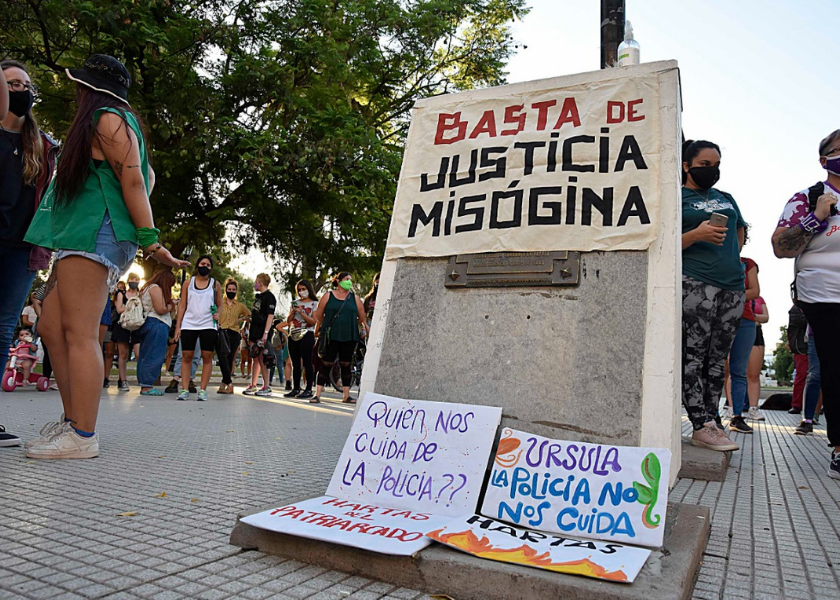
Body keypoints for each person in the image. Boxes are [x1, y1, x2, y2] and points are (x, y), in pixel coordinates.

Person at [23, 54, 189, 459]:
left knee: (80, 333)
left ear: (90, 88)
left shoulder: (108, 119)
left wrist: (151, 241)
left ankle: (82, 435)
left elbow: (136, 181)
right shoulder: (111, 121)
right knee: (51, 326)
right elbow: (146, 177)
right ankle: (72, 421)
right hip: (81, 233)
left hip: (96, 233)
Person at [772, 128, 840, 478]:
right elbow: (780, 247)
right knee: (835, 369)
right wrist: (816, 218)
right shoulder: (808, 198)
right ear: (825, 159)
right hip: (824, 296)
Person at [0, 60, 58, 448]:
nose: (21, 90)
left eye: (25, 83)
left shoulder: (44, 145)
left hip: (21, 250)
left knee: (3, 328)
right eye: (12, 83)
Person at [680, 140, 745, 452]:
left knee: (718, 358)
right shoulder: (676, 197)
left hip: (732, 286)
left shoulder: (726, 198)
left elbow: (739, 231)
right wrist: (695, 235)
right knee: (693, 354)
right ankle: (700, 423)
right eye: (704, 165)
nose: (712, 171)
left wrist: (731, 260)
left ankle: (713, 419)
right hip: (695, 283)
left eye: (716, 165)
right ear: (686, 166)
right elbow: (662, 241)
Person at [313, 272, 369, 404]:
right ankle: (317, 394)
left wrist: (352, 324)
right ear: (338, 281)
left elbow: (362, 316)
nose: (349, 282)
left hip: (349, 336)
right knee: (326, 363)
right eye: (346, 279)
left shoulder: (355, 298)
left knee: (346, 364)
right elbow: (318, 315)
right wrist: (327, 325)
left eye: (350, 279)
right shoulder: (328, 296)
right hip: (331, 335)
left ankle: (346, 395)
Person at [173, 255, 221, 401]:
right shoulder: (188, 283)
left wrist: (218, 314)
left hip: (208, 324)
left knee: (206, 356)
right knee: (186, 356)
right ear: (197, 265)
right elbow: (182, 305)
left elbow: (220, 304)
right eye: (202, 263)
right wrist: (178, 326)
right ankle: (184, 389)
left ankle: (203, 390)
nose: (205, 266)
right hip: (189, 323)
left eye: (208, 264)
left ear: (211, 268)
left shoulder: (215, 284)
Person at [725, 251, 760, 434]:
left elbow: (755, 291)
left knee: (739, 370)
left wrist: (728, 294)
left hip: (744, 319)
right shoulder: (716, 257)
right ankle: (710, 417)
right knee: (714, 368)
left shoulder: (747, 263)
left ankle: (737, 416)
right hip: (717, 317)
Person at [136, 268, 176, 395]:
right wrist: (172, 305)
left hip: (148, 323)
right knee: (154, 355)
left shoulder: (146, 288)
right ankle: (147, 385)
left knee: (145, 354)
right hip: (157, 324)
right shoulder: (155, 288)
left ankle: (144, 383)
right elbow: (160, 309)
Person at [242, 273, 276, 397]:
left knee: (262, 358)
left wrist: (265, 334)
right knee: (255, 357)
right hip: (254, 329)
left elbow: (270, 316)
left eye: (256, 282)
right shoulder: (258, 297)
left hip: (262, 330)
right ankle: (253, 384)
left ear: (260, 283)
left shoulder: (269, 297)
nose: (255, 284)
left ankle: (266, 386)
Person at [285, 279, 318, 400]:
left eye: (303, 289)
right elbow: (288, 321)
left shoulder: (314, 303)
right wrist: (293, 312)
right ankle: (296, 388)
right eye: (299, 290)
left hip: (307, 334)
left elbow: (313, 321)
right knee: (295, 363)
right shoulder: (295, 303)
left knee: (307, 362)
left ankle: (308, 388)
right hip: (293, 334)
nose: (301, 292)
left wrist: (302, 313)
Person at [217, 278, 250, 394]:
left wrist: (241, 320)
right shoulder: (219, 303)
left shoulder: (240, 306)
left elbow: (249, 315)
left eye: (233, 289)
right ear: (225, 290)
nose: (231, 291)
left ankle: (224, 384)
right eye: (229, 289)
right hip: (222, 332)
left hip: (234, 333)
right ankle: (229, 383)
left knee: (230, 359)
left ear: (236, 291)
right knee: (222, 358)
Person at [112, 272, 142, 390]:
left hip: (137, 326)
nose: (134, 281)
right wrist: (130, 307)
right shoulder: (122, 294)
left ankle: (141, 378)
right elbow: (119, 309)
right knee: (123, 354)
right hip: (123, 325)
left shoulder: (141, 295)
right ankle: (123, 379)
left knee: (138, 354)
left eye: (136, 279)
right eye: (132, 279)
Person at [746, 296, 768, 421]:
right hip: (739, 330)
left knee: (754, 375)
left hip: (756, 332)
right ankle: (732, 408)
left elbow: (766, 317)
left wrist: (752, 316)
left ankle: (753, 408)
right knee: (735, 373)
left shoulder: (759, 299)